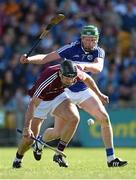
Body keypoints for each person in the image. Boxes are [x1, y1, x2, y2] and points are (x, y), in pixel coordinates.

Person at [20, 25, 128, 167]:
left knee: (104, 118)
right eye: (88, 39)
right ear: (82, 38)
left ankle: (111, 158)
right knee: (57, 132)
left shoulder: (98, 51)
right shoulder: (71, 48)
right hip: (65, 92)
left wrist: (80, 66)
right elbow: (46, 58)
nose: (91, 43)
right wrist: (29, 59)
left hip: (83, 90)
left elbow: (98, 68)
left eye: (94, 40)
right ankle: (40, 142)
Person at [12, 59, 108, 168]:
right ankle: (18, 158)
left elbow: (88, 79)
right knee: (28, 140)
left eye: (71, 78)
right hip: (41, 101)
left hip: (58, 96)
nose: (69, 81)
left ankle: (59, 154)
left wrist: (99, 95)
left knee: (74, 118)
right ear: (60, 74)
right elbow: (33, 104)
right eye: (66, 78)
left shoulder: (76, 73)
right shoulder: (49, 79)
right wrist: (27, 127)